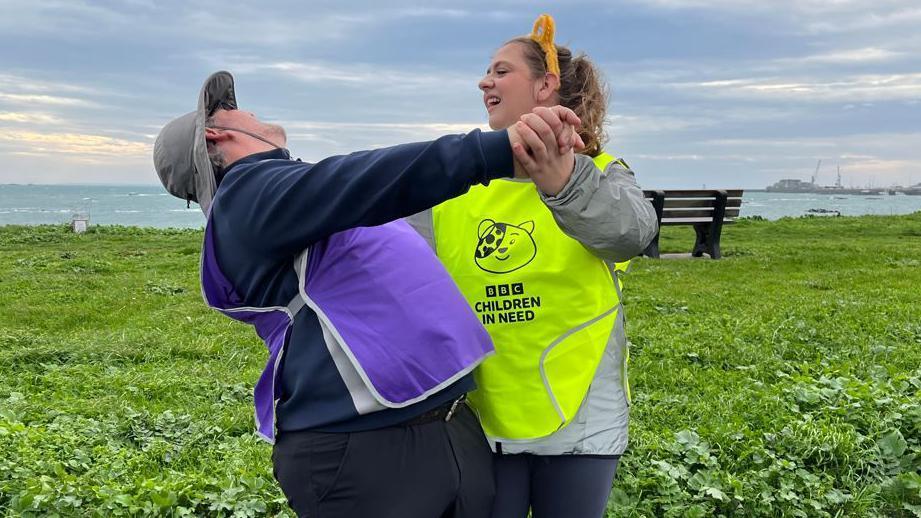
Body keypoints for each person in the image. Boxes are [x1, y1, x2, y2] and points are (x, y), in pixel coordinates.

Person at [152, 70, 585, 518]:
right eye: (234, 108)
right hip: (363, 453)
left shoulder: (284, 195)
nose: (251, 111)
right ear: (216, 132)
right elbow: (361, 178)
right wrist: (492, 151)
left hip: (443, 427)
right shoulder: (247, 194)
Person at [407, 15, 659, 518]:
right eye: (486, 72)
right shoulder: (458, 182)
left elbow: (632, 234)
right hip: (482, 414)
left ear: (545, 85)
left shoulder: (603, 171)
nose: (485, 82)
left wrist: (563, 181)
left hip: (581, 416)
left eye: (501, 71)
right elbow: (393, 262)